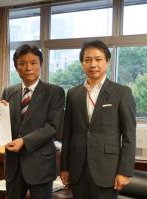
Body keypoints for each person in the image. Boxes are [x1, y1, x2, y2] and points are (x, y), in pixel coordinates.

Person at [60, 40, 136, 199]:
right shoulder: (73, 94)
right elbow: (67, 134)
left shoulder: (121, 92)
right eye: (87, 60)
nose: (93, 64)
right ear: (82, 63)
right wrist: (64, 168)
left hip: (107, 169)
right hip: (77, 169)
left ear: (107, 61)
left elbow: (129, 136)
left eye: (98, 59)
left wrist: (124, 171)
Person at [1, 44, 65, 199]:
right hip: (13, 165)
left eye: (33, 62)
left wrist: (24, 141)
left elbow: (53, 127)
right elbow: (3, 125)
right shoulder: (8, 92)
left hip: (40, 166)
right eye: (22, 63)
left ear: (40, 65)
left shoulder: (54, 92)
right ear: (16, 67)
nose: (28, 67)